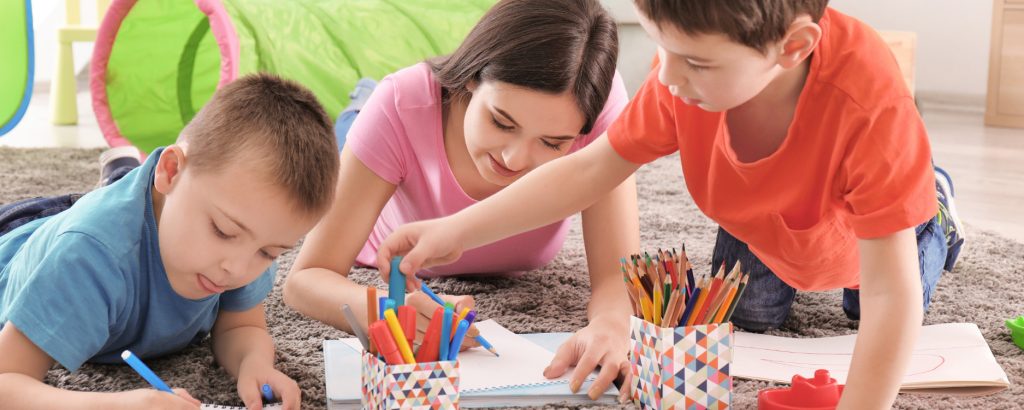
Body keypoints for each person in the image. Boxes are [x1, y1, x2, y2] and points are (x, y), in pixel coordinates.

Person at [374, 1, 966, 408]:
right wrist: (458, 229)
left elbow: (893, 298)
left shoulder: (868, 112)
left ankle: (935, 202)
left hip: (867, 228)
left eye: (696, 62)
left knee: (870, 310)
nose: (668, 77)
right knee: (751, 316)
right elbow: (588, 168)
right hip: (758, 218)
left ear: (792, 48)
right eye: (660, 48)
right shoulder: (679, 76)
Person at [283, 0, 639, 399]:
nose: (514, 158)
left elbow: (616, 275)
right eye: (502, 122)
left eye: (552, 143)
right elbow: (303, 279)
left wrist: (613, 323)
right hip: (383, 118)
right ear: (471, 78)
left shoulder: (600, 107)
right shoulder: (400, 106)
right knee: (348, 130)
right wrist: (385, 311)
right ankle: (358, 102)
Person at [0, 73, 339, 410]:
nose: (235, 269)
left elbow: (241, 324)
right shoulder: (88, 258)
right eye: (222, 231)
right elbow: (6, 382)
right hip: (24, 233)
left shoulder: (252, 229)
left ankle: (123, 168)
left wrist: (254, 363)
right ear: (172, 171)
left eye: (268, 253)